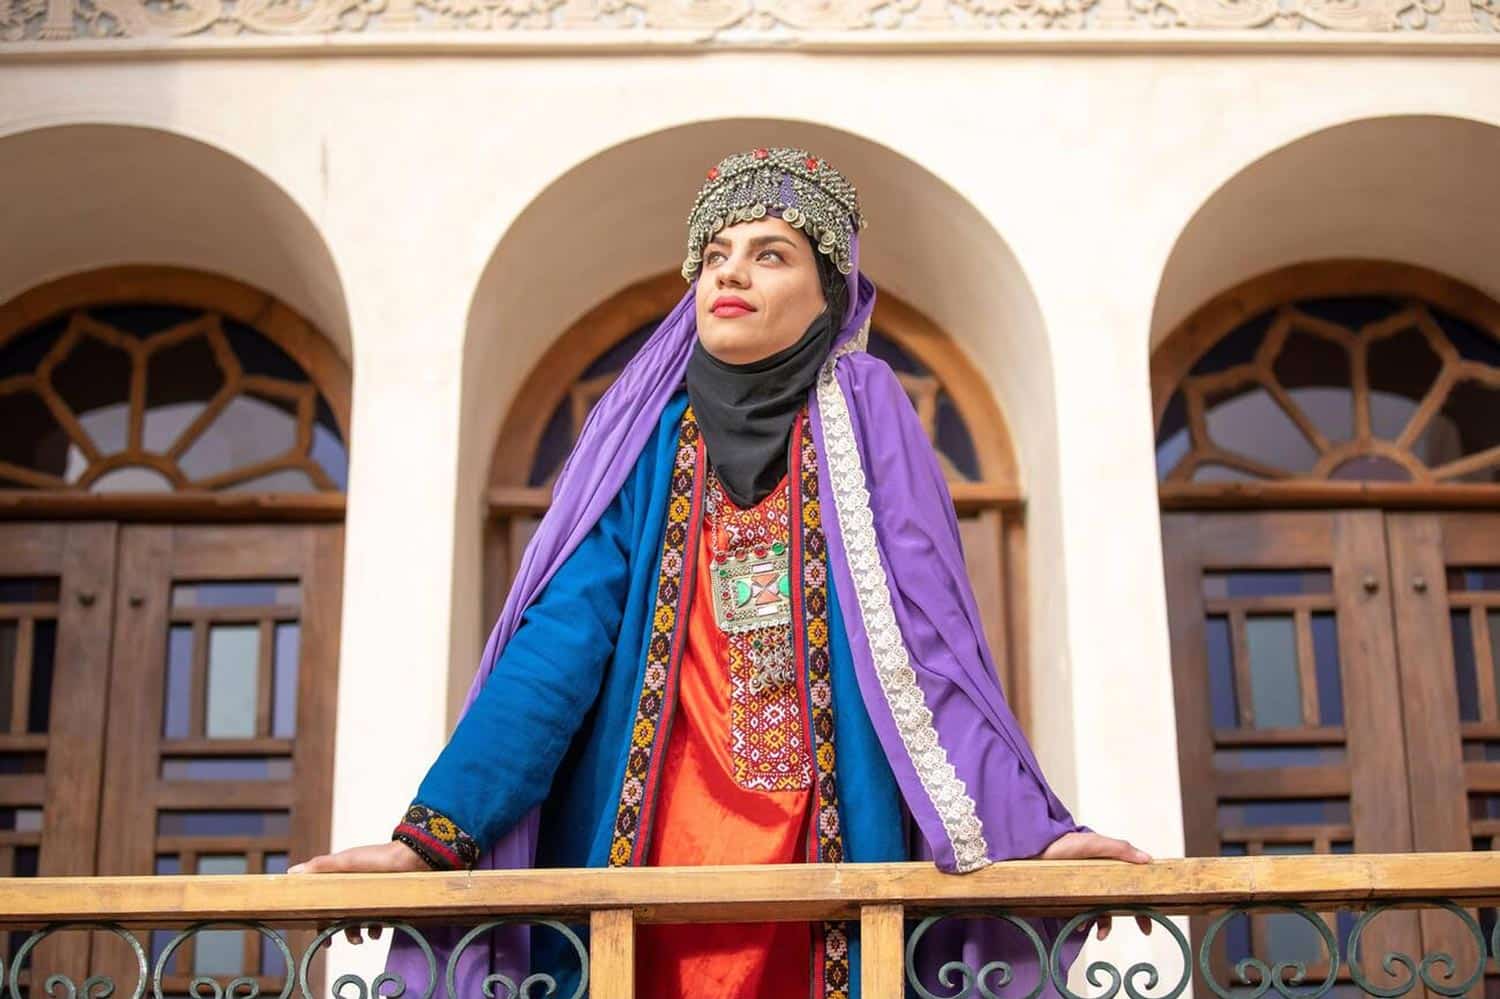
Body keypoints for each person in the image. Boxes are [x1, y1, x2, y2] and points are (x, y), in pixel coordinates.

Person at [291, 147, 1151, 999]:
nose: (729, 275)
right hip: (650, 868)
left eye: (770, 254)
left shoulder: (865, 408)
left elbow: (927, 638)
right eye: (713, 257)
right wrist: (434, 833)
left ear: (831, 293)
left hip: (835, 857)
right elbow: (557, 647)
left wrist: (1035, 835)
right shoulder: (648, 443)